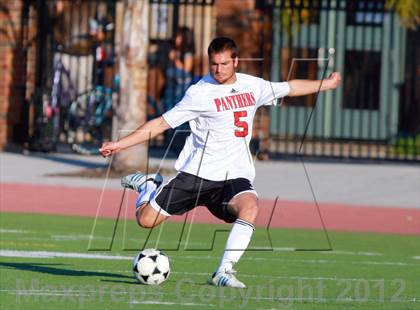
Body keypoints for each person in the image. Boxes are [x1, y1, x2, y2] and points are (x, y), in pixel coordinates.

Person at [99, 37, 341, 288]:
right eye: (214, 64)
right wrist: (119, 144)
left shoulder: (253, 85)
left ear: (235, 61)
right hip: (196, 175)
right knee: (145, 221)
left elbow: (289, 87)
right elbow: (160, 123)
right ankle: (149, 185)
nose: (219, 69)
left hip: (233, 176)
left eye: (225, 64)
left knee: (250, 208)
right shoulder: (199, 93)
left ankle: (224, 271)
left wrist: (327, 84)